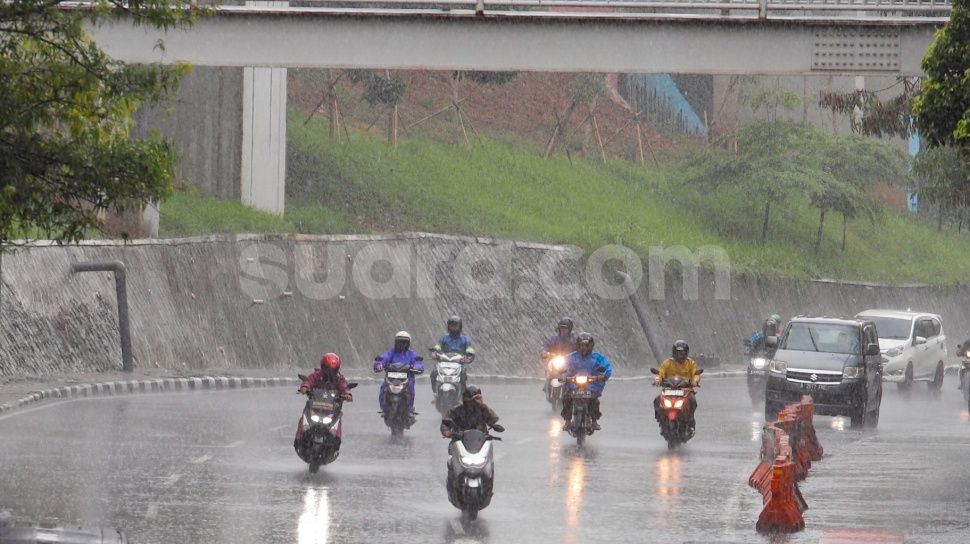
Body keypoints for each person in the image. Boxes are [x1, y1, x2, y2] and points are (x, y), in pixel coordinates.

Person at [295, 353, 353, 449]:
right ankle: (298, 439)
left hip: (331, 411)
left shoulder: (339, 379)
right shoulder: (317, 376)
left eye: (333, 370)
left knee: (338, 420)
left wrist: (347, 394)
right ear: (323, 367)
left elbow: (344, 387)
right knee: (303, 417)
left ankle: (336, 444)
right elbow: (309, 381)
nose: (330, 372)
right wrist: (305, 387)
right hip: (315, 408)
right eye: (328, 369)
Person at [559, 332, 613, 431]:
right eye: (582, 345)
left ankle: (594, 421)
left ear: (591, 346)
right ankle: (567, 421)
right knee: (566, 398)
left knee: (594, 400)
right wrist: (563, 376)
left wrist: (603, 375)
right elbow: (563, 368)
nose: (584, 348)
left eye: (586, 345)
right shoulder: (571, 357)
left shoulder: (598, 357)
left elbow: (607, 367)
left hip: (592, 386)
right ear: (578, 345)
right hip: (573, 385)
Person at [653, 340, 701, 432]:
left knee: (693, 401)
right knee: (656, 400)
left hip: (686, 390)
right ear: (674, 353)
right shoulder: (667, 363)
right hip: (669, 390)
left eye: (682, 353)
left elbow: (696, 374)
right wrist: (657, 380)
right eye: (677, 353)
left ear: (686, 353)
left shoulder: (691, 363)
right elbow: (661, 372)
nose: (680, 356)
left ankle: (691, 421)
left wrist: (694, 381)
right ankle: (660, 419)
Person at [374, 331, 424, 415]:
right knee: (384, 388)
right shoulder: (391, 352)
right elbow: (383, 358)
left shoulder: (411, 354)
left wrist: (417, 367)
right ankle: (383, 407)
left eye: (404, 342)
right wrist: (379, 364)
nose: (401, 344)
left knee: (410, 388)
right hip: (391, 378)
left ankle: (409, 408)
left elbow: (417, 362)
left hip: (407, 378)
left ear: (408, 343)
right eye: (399, 341)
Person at [430, 315, 476, 394]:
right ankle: (436, 392)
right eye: (452, 325)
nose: (454, 327)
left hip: (458, 364)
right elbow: (437, 348)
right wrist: (434, 354)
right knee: (434, 372)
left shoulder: (465, 340)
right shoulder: (444, 338)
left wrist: (469, 358)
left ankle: (462, 394)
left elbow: (470, 351)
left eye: (456, 326)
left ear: (460, 327)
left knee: (463, 375)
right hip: (444, 363)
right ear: (449, 326)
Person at [540, 317, 578, 394]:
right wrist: (544, 352)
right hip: (556, 362)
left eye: (565, 328)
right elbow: (545, 345)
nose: (563, 330)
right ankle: (549, 386)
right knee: (550, 371)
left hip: (570, 363)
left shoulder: (574, 339)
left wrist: (578, 355)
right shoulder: (555, 339)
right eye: (561, 328)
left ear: (569, 329)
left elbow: (580, 347)